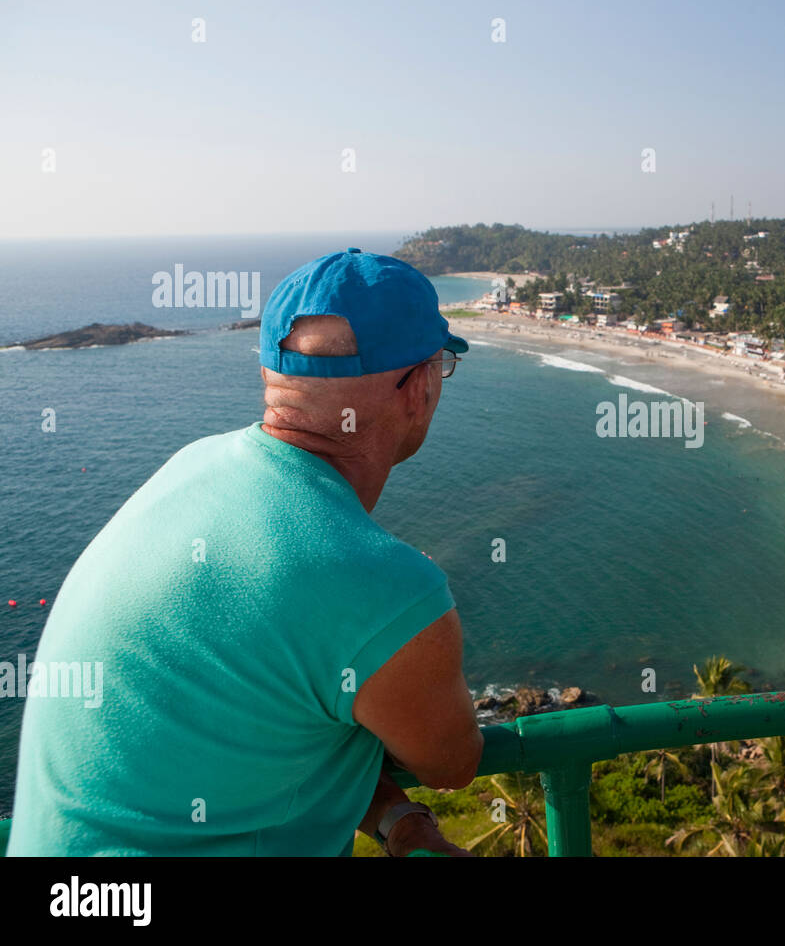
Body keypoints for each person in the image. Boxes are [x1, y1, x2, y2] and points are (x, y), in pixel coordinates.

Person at [9, 249, 483, 856]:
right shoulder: (385, 587)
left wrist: (395, 817)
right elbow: (452, 764)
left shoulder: (190, 466)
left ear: (269, 375)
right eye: (439, 367)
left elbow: (246, 719)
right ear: (418, 388)